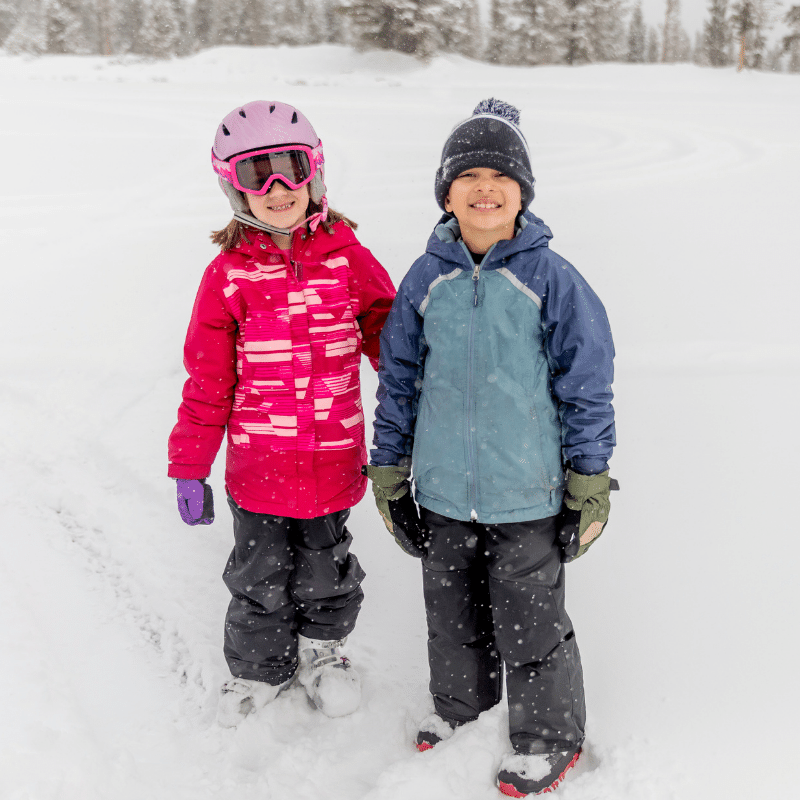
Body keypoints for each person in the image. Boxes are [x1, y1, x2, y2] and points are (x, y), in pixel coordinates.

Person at [365, 99, 616, 797]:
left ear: (523, 192)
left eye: (499, 176)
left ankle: (547, 737)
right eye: (467, 175)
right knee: (452, 623)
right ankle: (459, 712)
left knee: (532, 628)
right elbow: (399, 384)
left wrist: (588, 479)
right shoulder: (425, 279)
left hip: (526, 495)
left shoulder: (551, 280)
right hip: (445, 492)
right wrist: (389, 472)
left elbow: (587, 386)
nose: (484, 188)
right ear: (446, 193)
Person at [168, 100, 395, 727]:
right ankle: (257, 668)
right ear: (229, 185)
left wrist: (427, 412)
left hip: (332, 461)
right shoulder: (228, 277)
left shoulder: (349, 261)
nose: (276, 189)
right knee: (258, 573)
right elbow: (208, 382)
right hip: (258, 468)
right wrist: (191, 464)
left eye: (289, 168)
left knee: (327, 567)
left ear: (314, 172)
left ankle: (324, 652)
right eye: (255, 174)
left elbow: (395, 345)